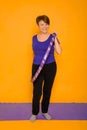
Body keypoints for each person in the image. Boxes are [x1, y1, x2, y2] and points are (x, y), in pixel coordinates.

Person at [30, 15, 62, 122]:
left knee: (47, 90)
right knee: (37, 92)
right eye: (42, 24)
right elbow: (36, 52)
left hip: (50, 67)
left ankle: (44, 111)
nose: (44, 26)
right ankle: (34, 113)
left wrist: (55, 38)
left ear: (49, 25)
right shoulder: (33, 38)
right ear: (38, 25)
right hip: (37, 67)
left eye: (46, 24)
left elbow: (59, 51)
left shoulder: (53, 37)